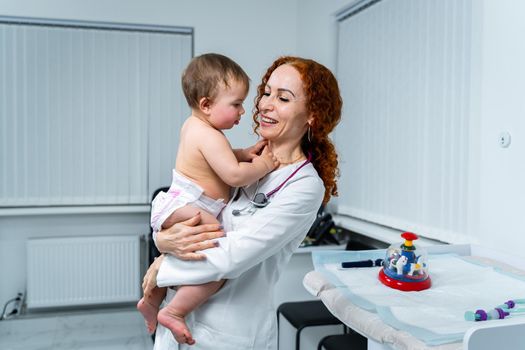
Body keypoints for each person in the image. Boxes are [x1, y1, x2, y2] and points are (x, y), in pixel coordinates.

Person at [143, 56, 342, 349]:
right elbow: (186, 205)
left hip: (227, 335)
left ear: (312, 114)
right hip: (177, 326)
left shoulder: (304, 185)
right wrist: (163, 240)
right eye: (266, 92)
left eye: (283, 98)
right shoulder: (249, 160)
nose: (264, 104)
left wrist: (164, 266)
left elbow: (232, 255)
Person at [137, 53, 279, 345]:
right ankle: (174, 312)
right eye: (236, 104)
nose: (243, 111)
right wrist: (264, 164)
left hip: (178, 202)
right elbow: (233, 176)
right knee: (214, 256)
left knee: (184, 253)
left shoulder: (197, 128)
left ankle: (151, 301)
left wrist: (244, 153)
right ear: (206, 104)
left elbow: (220, 160)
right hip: (191, 205)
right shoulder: (210, 136)